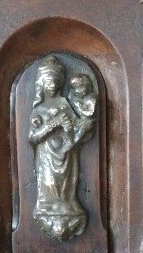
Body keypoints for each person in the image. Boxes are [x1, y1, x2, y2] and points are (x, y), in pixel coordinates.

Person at [28, 55, 96, 241]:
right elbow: (33, 137)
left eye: (57, 81)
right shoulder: (38, 109)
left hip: (67, 152)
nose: (54, 85)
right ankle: (48, 206)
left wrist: (81, 127)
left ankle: (67, 204)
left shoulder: (66, 104)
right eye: (50, 81)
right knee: (49, 182)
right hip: (47, 155)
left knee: (67, 182)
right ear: (42, 83)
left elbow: (76, 127)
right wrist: (53, 124)